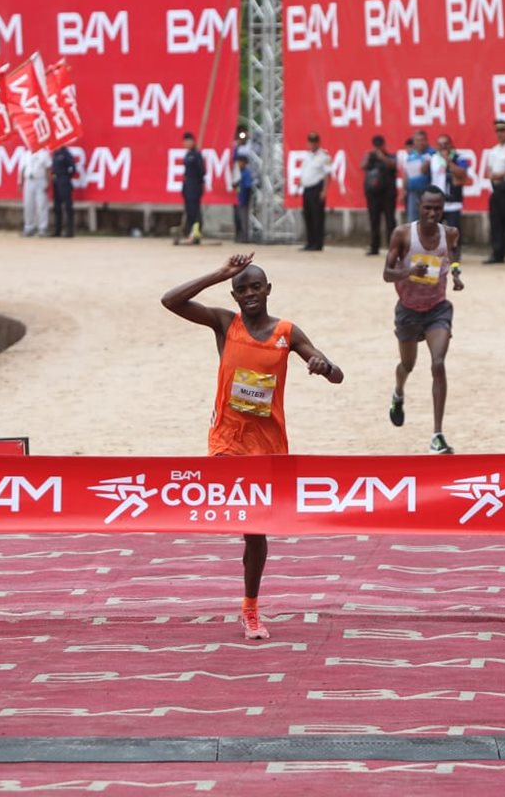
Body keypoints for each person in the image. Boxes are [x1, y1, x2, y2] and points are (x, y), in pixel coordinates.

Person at [160, 253, 343, 639]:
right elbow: (170, 301)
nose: (249, 294)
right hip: (227, 441)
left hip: (269, 446)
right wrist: (218, 274)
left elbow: (333, 372)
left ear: (268, 289)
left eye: (255, 287)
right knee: (248, 523)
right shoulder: (225, 324)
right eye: (241, 289)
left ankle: (250, 608)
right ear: (235, 294)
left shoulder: (287, 333)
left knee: (256, 531)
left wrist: (323, 365)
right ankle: (250, 610)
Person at [383, 186, 464, 454]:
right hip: (408, 310)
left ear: (443, 209)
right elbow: (387, 273)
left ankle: (437, 435)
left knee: (438, 363)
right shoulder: (403, 234)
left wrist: (455, 274)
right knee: (408, 364)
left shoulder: (450, 233)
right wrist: (408, 271)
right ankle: (398, 392)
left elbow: (453, 254)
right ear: (419, 207)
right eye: (427, 208)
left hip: (437, 309)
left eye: (437, 208)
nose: (432, 213)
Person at [483, 119, 505, 264]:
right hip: (495, 188)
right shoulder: (494, 150)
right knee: (496, 223)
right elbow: (489, 169)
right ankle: (498, 254)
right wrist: (491, 176)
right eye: (498, 131)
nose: (500, 134)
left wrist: (502, 175)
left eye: (503, 131)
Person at [362, 135, 398, 256]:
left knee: (390, 221)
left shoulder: (390, 156)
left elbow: (394, 165)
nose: (377, 148)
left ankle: (392, 247)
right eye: (376, 145)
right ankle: (374, 246)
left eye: (379, 145)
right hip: (373, 195)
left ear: (384, 145)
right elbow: (363, 166)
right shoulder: (371, 157)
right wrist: (368, 157)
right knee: (374, 220)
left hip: (387, 194)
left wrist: (382, 157)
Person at [299, 132, 333, 251]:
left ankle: (318, 243)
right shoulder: (307, 156)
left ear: (318, 143)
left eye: (314, 142)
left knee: (317, 217)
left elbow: (327, 175)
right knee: (308, 216)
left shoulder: (324, 157)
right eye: (310, 142)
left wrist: (324, 190)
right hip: (307, 188)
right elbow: (305, 172)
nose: (311, 144)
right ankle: (310, 241)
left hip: (317, 189)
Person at [429, 134, 469, 232]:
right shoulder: (432, 159)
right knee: (435, 233)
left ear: (451, 144)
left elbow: (462, 173)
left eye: (445, 143)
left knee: (453, 233)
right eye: (440, 144)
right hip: (436, 203)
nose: (443, 146)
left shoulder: (459, 158)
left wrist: (448, 161)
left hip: (453, 203)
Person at [19, 148, 51, 237]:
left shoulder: (44, 154)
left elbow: (48, 169)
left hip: (40, 180)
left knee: (42, 204)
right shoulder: (26, 154)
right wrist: (20, 183)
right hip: (28, 180)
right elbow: (22, 169)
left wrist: (48, 183)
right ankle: (29, 227)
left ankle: (43, 227)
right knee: (28, 204)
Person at [402, 130, 432, 223]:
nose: (420, 142)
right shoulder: (411, 155)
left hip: (428, 193)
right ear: (414, 142)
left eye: (422, 140)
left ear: (426, 140)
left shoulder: (432, 153)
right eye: (417, 140)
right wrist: (403, 190)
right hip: (413, 192)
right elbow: (406, 173)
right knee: (413, 221)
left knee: (428, 221)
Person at [181, 131, 206, 243]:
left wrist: (199, 184)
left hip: (195, 185)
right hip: (187, 185)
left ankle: (196, 232)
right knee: (189, 210)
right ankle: (190, 232)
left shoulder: (197, 155)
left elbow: (202, 171)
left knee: (195, 210)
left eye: (188, 141)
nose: (186, 143)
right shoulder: (187, 155)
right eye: (185, 141)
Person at [51, 145, 77, 238]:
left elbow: (73, 168)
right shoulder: (55, 153)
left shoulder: (66, 153)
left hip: (64, 180)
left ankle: (70, 230)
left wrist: (66, 177)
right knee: (57, 207)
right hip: (56, 181)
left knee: (67, 206)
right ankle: (57, 230)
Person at [233, 154, 253, 244]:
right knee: (238, 218)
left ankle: (245, 237)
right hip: (237, 198)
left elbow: (248, 187)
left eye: (241, 162)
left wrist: (247, 199)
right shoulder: (237, 173)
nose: (239, 164)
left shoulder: (246, 173)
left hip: (243, 198)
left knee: (244, 219)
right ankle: (239, 235)